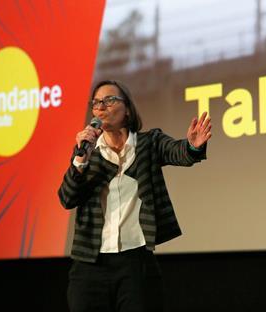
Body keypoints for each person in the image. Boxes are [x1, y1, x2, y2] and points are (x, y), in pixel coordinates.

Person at [58, 80, 211, 312]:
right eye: (97, 103)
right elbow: (67, 198)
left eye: (109, 100)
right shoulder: (89, 152)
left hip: (135, 263)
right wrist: (80, 160)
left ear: (127, 109)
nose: (101, 107)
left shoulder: (148, 143)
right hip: (89, 264)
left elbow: (179, 153)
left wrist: (192, 146)